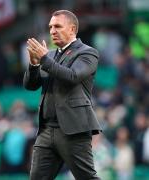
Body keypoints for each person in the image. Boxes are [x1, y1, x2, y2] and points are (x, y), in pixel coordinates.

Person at [23, 10, 102, 180]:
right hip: (46, 129)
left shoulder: (87, 52)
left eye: (58, 26)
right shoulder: (49, 55)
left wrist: (44, 59)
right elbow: (30, 86)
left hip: (73, 129)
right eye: (50, 27)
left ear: (72, 29)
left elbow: (72, 76)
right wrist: (34, 64)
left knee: (86, 177)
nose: (52, 31)